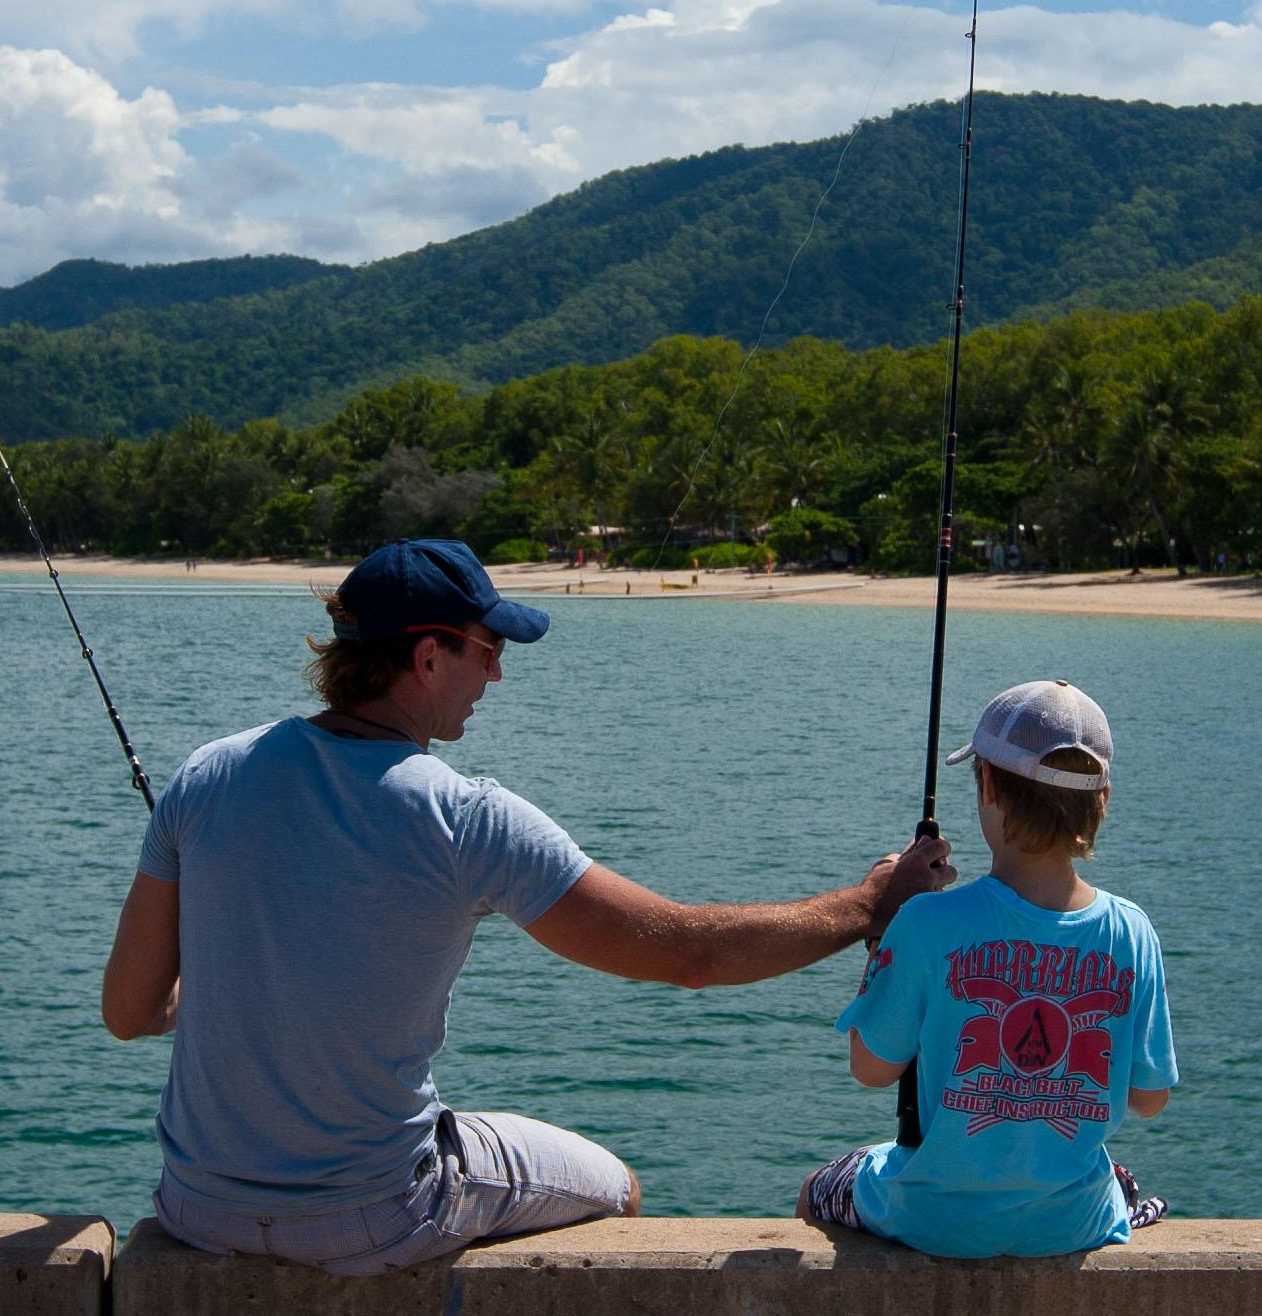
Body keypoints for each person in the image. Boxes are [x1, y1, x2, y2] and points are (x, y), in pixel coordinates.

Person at [100, 538, 948, 1276]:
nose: (498, 670)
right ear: (428, 658)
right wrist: (871, 902)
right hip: (373, 1214)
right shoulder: (465, 818)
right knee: (617, 1188)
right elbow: (687, 953)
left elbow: (131, 1011)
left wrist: (227, 993)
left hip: (196, 1209)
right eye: (488, 647)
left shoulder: (205, 776)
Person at [808, 679, 1180, 1255]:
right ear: (1101, 798)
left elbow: (872, 1068)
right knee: (1118, 1179)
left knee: (818, 1189)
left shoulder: (926, 923)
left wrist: (887, 934)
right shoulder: (1132, 931)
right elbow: (1150, 1098)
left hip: (934, 1219)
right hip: (1073, 1220)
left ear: (987, 786)